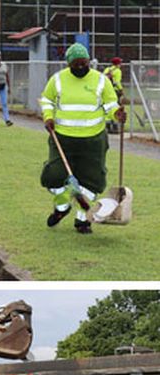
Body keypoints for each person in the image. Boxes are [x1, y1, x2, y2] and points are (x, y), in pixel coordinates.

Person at [39, 43, 125, 235]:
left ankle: (83, 219)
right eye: (75, 64)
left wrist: (116, 114)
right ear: (68, 63)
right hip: (62, 138)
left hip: (93, 140)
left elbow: (110, 105)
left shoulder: (101, 80)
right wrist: (48, 117)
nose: (80, 67)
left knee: (91, 180)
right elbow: (47, 100)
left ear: (89, 61)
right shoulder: (57, 79)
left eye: (83, 63)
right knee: (54, 176)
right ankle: (62, 207)